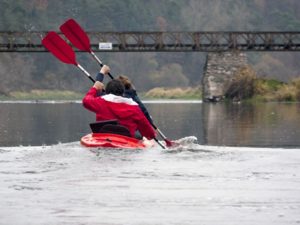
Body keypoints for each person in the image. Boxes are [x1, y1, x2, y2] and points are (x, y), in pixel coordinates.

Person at [82, 65, 156, 140]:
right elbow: (149, 134)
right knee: (139, 136)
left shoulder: (100, 102)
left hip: (103, 138)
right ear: (123, 92)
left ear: (107, 92)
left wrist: (94, 88)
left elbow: (86, 101)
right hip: (127, 141)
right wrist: (151, 135)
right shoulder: (134, 108)